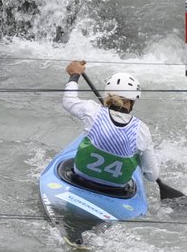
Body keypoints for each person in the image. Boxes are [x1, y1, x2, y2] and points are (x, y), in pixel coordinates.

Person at [61, 60, 158, 194]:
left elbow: (68, 101)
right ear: (132, 102)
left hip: (79, 181)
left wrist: (75, 74)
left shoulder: (93, 112)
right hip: (115, 192)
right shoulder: (142, 130)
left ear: (108, 95)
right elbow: (152, 176)